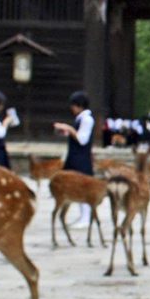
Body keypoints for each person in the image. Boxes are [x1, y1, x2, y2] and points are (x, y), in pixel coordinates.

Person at [53, 91, 95, 224]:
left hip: (81, 157)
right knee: (75, 185)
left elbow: (82, 139)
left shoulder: (87, 119)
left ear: (79, 105)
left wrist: (69, 129)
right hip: (75, 156)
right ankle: (83, 216)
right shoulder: (80, 118)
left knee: (83, 186)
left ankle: (86, 217)